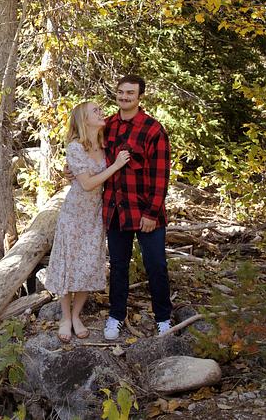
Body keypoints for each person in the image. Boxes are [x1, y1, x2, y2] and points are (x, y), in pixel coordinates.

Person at [45, 101, 130, 343]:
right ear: (84, 119)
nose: (101, 113)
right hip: (74, 214)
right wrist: (116, 165)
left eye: (101, 109)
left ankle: (76, 315)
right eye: (96, 111)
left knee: (88, 262)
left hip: (95, 214)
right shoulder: (75, 147)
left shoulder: (105, 145)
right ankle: (65, 317)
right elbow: (87, 184)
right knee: (69, 262)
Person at [102, 74, 172, 339]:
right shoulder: (107, 125)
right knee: (118, 265)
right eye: (121, 92)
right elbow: (91, 154)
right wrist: (73, 169)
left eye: (130, 93)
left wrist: (152, 213)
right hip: (116, 210)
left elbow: (161, 176)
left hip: (145, 212)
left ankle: (163, 318)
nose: (124, 97)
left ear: (140, 96)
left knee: (156, 265)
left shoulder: (153, 130)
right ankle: (116, 316)